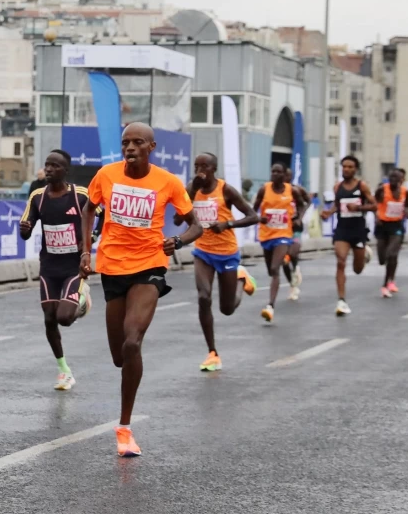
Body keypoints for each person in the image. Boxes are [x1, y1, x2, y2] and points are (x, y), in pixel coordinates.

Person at [79, 122, 202, 458]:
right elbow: (89, 209)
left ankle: (124, 428)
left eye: (137, 143)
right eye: (125, 143)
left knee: (133, 341)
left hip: (150, 265)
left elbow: (196, 225)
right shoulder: (105, 175)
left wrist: (176, 241)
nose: (130, 148)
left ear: (152, 146)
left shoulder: (169, 182)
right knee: (120, 356)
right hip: (112, 267)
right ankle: (125, 411)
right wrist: (86, 249)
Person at [20, 149, 92, 389]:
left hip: (74, 267)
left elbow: (97, 216)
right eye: (47, 165)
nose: (49, 169)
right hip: (49, 266)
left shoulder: (80, 195)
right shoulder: (38, 197)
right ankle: (64, 370)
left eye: (55, 166)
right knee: (49, 318)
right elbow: (26, 226)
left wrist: (88, 242)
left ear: (66, 171)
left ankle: (82, 299)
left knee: (64, 318)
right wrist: (25, 228)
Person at [187, 153, 259, 370]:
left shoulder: (225, 189)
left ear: (214, 168)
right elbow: (177, 217)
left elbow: (253, 216)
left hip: (227, 252)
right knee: (203, 296)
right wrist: (190, 192)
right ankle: (212, 353)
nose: (200, 170)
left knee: (227, 309)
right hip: (203, 252)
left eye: (205, 166)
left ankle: (241, 279)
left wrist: (227, 224)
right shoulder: (192, 188)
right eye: (196, 166)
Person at [252, 163, 309, 324]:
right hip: (266, 235)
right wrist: (258, 218)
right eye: (273, 171)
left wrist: (298, 217)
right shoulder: (264, 189)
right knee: (271, 271)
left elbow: (304, 204)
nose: (275, 174)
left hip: (284, 234)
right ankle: (289, 274)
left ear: (284, 175)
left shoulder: (293, 190)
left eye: (278, 172)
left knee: (275, 269)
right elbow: (254, 208)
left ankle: (270, 306)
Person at [319, 156, 375, 317]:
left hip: (358, 230)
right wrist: (328, 213)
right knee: (341, 261)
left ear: (355, 169)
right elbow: (338, 205)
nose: (347, 169)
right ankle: (341, 300)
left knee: (358, 270)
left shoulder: (362, 186)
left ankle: (364, 254)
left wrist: (359, 207)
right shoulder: (337, 187)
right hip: (342, 229)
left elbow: (375, 206)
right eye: (344, 167)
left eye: (350, 167)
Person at [374, 167, 408, 297]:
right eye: (391, 178)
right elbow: (373, 203)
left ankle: (386, 284)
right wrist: (376, 216)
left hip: (396, 225)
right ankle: (389, 279)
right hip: (382, 225)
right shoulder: (382, 190)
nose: (393, 180)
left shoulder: (405, 192)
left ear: (401, 180)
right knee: (382, 258)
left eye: (396, 178)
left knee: (392, 254)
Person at [280, 182, 309, 301]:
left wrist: (300, 217)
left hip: (295, 228)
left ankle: (296, 267)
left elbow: (307, 202)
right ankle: (292, 285)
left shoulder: (297, 190)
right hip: (281, 229)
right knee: (284, 260)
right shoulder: (276, 192)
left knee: (292, 253)